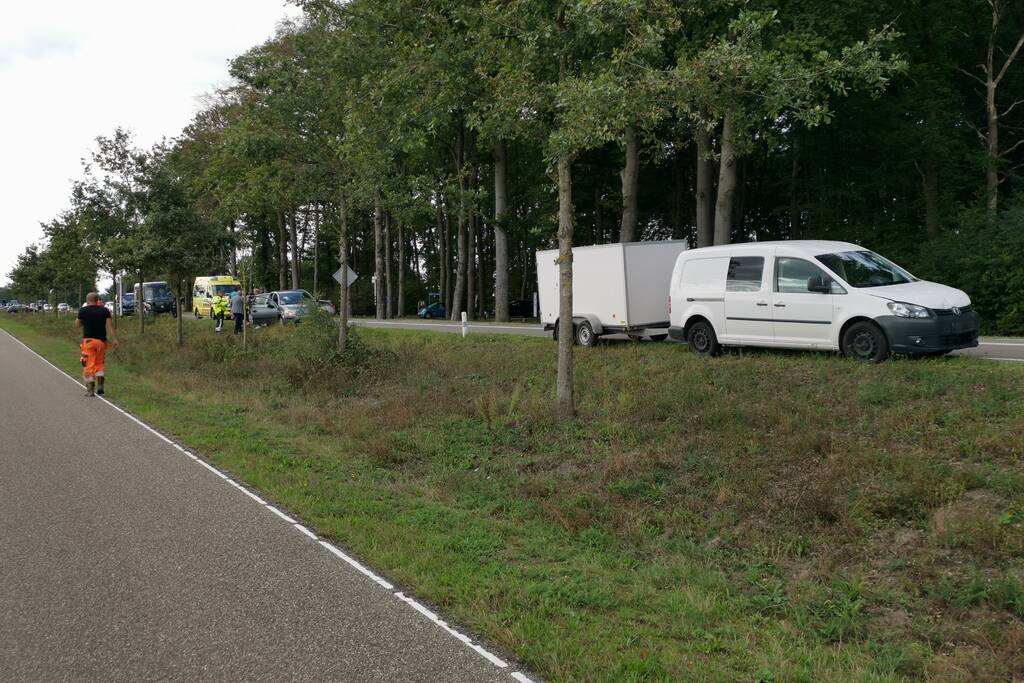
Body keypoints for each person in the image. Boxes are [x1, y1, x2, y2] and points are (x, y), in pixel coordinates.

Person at [75, 292, 118, 397]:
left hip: (89, 342)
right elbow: (110, 327)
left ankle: (90, 390)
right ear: (97, 300)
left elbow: (77, 325)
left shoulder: (83, 310)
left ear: (87, 300)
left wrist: (83, 319)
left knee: (88, 365)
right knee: (99, 364)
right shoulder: (105, 311)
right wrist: (115, 339)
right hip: (102, 343)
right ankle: (100, 387)